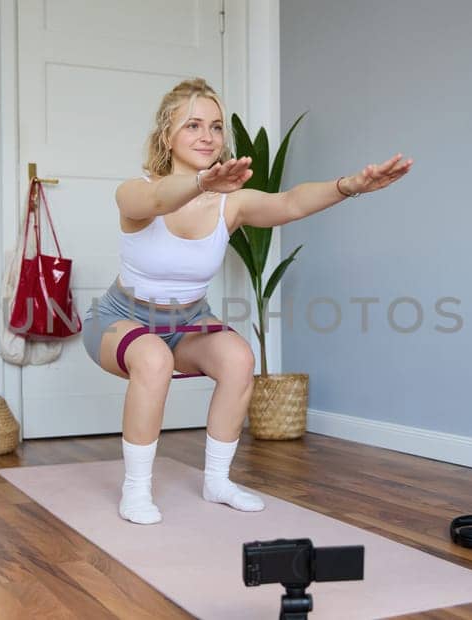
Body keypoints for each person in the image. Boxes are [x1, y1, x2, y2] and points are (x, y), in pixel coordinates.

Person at [81, 78, 412, 525]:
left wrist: (350, 185)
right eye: (193, 125)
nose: (208, 136)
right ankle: (136, 490)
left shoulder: (229, 204)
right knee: (154, 359)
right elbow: (159, 198)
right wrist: (199, 182)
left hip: (189, 321)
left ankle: (217, 480)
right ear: (167, 136)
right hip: (119, 319)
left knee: (239, 357)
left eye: (216, 127)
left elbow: (290, 203)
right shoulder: (134, 191)